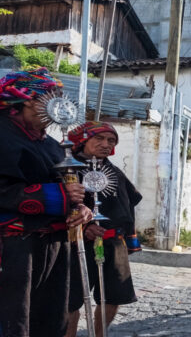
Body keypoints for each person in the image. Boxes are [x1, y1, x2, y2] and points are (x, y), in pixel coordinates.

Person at [0, 68, 92, 337]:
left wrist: (81, 209)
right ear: (28, 98)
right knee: (13, 324)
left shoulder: (53, 145)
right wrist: (59, 197)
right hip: (12, 248)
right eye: (54, 95)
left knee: (50, 321)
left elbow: (70, 192)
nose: (61, 102)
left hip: (54, 247)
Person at [65, 121, 142, 337]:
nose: (105, 144)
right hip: (78, 244)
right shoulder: (68, 169)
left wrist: (130, 238)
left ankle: (100, 335)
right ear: (83, 140)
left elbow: (129, 205)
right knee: (71, 300)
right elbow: (62, 204)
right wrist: (84, 226)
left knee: (114, 296)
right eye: (99, 138)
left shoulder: (115, 171)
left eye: (111, 141)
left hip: (114, 243)